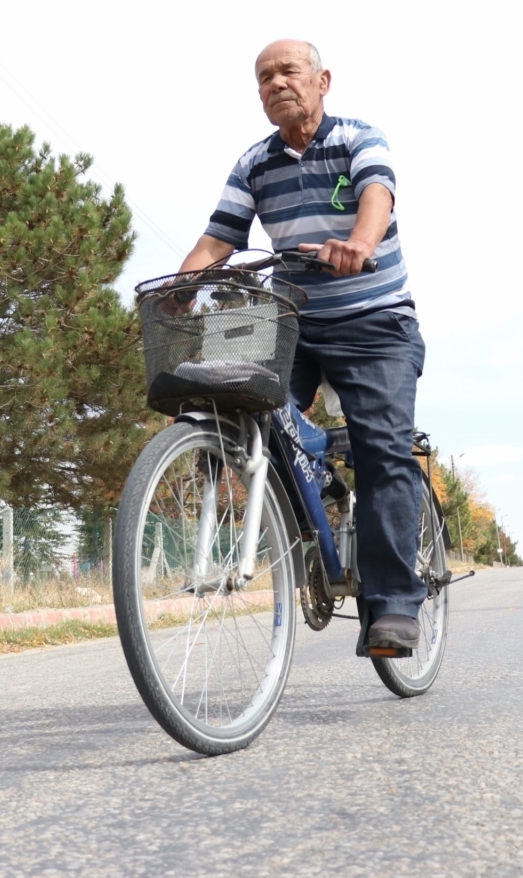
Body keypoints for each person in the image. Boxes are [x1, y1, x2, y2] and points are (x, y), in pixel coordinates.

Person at [177, 39, 428, 653]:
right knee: (233, 406)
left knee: (383, 450)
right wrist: (179, 289)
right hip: (291, 320)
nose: (276, 83)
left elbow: (376, 195)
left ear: (322, 81)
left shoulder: (357, 139)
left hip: (373, 319)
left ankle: (394, 604)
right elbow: (219, 240)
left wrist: (359, 244)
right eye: (264, 77)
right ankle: (317, 502)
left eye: (288, 71)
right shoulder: (253, 165)